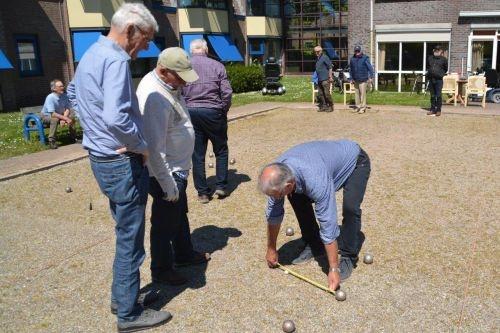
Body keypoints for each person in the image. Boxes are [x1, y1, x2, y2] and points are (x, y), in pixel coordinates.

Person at [66, 3, 172, 332]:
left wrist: (93, 126)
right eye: (146, 39)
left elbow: (73, 92)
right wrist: (140, 145)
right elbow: (115, 116)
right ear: (130, 31)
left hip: (101, 158)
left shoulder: (92, 53)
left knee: (124, 233)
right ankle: (128, 314)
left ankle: (121, 298)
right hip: (121, 161)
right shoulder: (114, 59)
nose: (147, 48)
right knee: (130, 240)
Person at [136, 47, 211, 287]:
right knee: (164, 222)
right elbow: (154, 148)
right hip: (164, 171)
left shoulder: (169, 84)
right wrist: (167, 184)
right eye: (179, 77)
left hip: (177, 167)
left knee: (179, 213)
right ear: (164, 70)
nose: (184, 83)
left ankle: (183, 253)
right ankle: (161, 269)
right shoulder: (154, 96)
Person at [258, 140, 371, 292]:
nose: (275, 197)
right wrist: (271, 248)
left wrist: (333, 269)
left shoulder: (315, 179)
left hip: (355, 162)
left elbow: (328, 223)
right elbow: (274, 213)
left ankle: (349, 256)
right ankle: (314, 244)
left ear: (288, 184)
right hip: (315, 166)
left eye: (277, 194)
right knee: (296, 196)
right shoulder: (277, 173)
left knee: (350, 208)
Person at [181, 39, 233, 204]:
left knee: (197, 154)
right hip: (213, 111)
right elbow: (226, 92)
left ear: (191, 51)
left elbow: (179, 91)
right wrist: (223, 109)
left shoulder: (185, 66)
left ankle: (203, 192)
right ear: (206, 49)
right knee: (221, 150)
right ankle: (221, 186)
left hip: (191, 111)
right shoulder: (217, 66)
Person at [41, 79, 78, 149]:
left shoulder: (64, 96)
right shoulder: (50, 97)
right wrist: (65, 118)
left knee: (71, 117)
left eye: (63, 86)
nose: (62, 87)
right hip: (46, 116)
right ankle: (51, 141)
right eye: (60, 86)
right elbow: (53, 114)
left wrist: (64, 118)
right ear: (54, 88)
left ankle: (73, 138)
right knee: (55, 119)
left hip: (59, 115)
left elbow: (67, 109)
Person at [349, 45, 374, 114]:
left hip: (363, 79)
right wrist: (351, 78)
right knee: (356, 94)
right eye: (356, 51)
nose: (357, 52)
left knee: (363, 94)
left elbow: (370, 68)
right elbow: (351, 69)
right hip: (355, 79)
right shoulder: (352, 59)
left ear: (361, 51)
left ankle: (363, 108)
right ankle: (358, 107)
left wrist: (371, 77)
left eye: (358, 51)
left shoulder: (365, 58)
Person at [427, 45, 448, 117]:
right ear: (433, 51)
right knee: (432, 95)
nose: (436, 51)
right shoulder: (430, 58)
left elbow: (446, 69)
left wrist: (440, 73)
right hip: (431, 79)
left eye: (438, 50)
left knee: (438, 95)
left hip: (439, 80)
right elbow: (428, 67)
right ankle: (432, 109)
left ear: (441, 51)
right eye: (435, 50)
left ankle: (438, 110)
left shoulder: (444, 59)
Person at [313, 46, 333, 112]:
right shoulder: (317, 58)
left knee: (327, 93)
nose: (316, 53)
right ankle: (324, 106)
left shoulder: (325, 57)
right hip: (319, 79)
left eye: (318, 51)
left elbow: (330, 67)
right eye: (315, 52)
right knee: (320, 94)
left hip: (325, 79)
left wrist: (330, 77)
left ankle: (330, 106)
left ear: (321, 51)